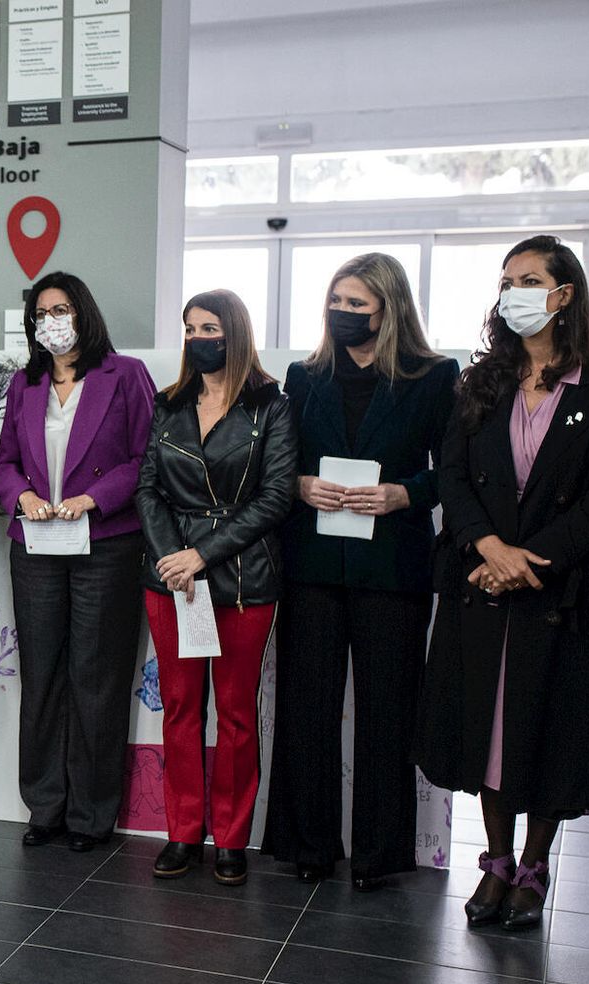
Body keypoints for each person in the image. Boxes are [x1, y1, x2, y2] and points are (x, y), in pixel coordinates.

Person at [418, 236, 589, 931]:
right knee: (488, 729)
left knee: (547, 730)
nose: (512, 294)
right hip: (481, 581)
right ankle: (496, 862)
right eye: (506, 282)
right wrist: (491, 547)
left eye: (528, 280)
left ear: (564, 294)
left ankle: (534, 865)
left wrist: (530, 559)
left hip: (560, 590)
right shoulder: (483, 381)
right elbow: (452, 475)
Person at [263, 253, 457, 891]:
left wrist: (405, 494)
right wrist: (301, 484)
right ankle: (310, 846)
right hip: (312, 565)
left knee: (389, 714)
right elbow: (278, 463)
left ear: (389, 309)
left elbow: (454, 470)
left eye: (357, 304)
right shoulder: (304, 375)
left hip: (393, 568)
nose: (342, 312)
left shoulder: (435, 376)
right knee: (307, 709)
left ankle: (378, 856)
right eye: (336, 301)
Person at [0, 272, 156, 851]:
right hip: (37, 547)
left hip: (104, 545)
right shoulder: (24, 383)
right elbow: (4, 465)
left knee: (97, 679)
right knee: (41, 677)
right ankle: (46, 806)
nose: (51, 321)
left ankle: (90, 814)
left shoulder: (125, 374)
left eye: (61, 309)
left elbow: (146, 459)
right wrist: (22, 497)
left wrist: (95, 497)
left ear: (83, 313)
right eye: (41, 313)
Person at [136, 290, 296, 886]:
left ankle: (230, 837)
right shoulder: (169, 402)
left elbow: (275, 497)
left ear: (235, 332)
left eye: (210, 328)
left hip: (243, 579)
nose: (198, 338)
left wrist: (201, 554)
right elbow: (148, 488)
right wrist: (173, 560)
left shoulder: (271, 406)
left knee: (235, 711)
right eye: (189, 328)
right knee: (180, 708)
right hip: (173, 581)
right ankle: (182, 832)